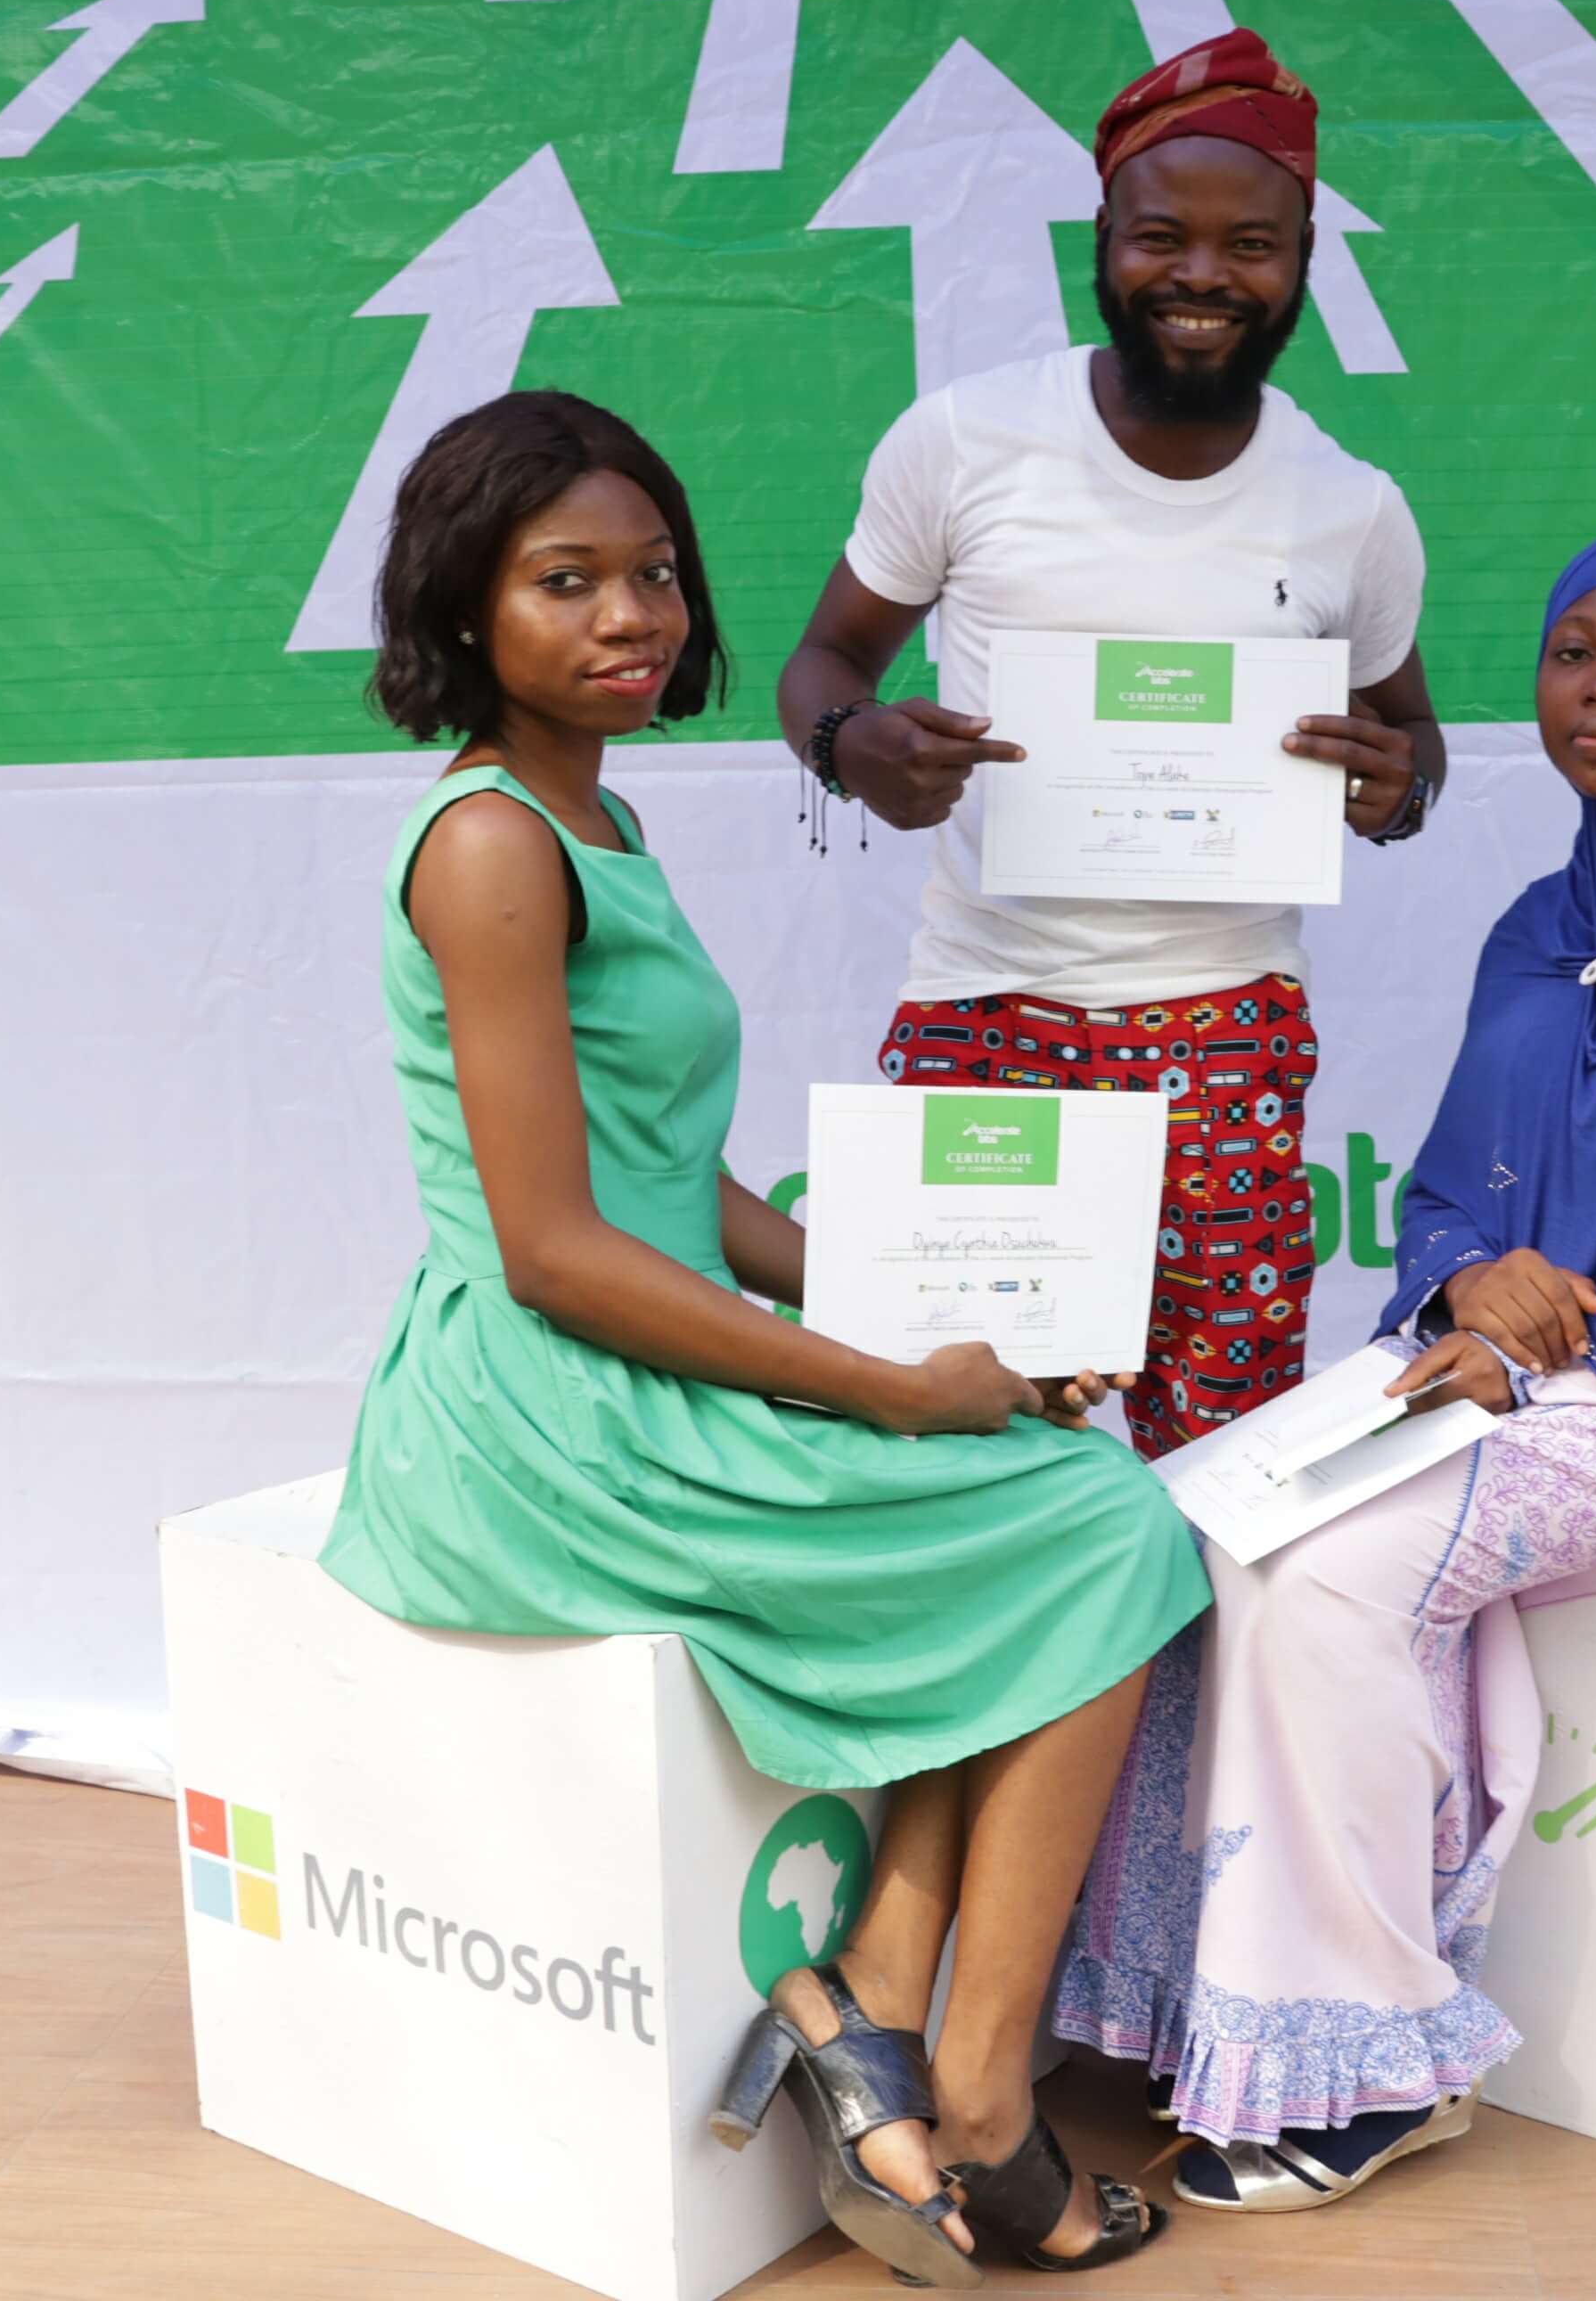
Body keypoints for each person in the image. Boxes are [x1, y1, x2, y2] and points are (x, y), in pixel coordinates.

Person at [316, 390, 1201, 2282]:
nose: (629, 614)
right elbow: (556, 1252)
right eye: (567, 581)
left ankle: (873, 1993)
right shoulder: (489, 846)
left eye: (653, 573)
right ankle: (977, 2094)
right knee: (1109, 1527)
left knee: (1041, 1481)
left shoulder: (596, 817)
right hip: (545, 1412)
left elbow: (677, 1188)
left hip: (626, 1350)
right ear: (465, 606)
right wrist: (887, 1384)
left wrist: (937, 1326)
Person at [1052, 527, 1596, 2211]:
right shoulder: (1541, 929)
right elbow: (1451, 1195)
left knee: (1331, 1574)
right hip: (1491, 1362)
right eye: (1571, 650)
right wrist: (1473, 1283)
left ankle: (1379, 2061)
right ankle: (1191, 2006)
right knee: (1197, 1527)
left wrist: (1567, 1337)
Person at [780, 28, 1444, 1459]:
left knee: (1225, 1442)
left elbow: (1414, 752)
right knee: (961, 1427)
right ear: (1102, 239)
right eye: (1161, 237)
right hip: (987, 1007)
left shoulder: (1352, 507)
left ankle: (1190, 1626)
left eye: (1250, 245)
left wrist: (1393, 795)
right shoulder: (964, 445)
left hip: (1227, 1024)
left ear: (1305, 257)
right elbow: (825, 661)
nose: (1203, 276)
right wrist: (852, 746)